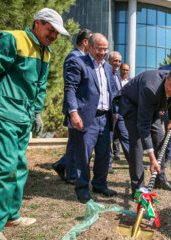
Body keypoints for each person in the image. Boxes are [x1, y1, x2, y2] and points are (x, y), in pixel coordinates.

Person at [0, 8, 69, 240]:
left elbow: (40, 85)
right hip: (3, 112)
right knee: (5, 167)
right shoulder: (12, 39)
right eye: (51, 31)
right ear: (37, 23)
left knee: (19, 167)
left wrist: (36, 113)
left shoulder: (45, 52)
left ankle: (10, 215)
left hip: (23, 116)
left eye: (57, 34)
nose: (54, 37)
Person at [63, 33, 118, 204]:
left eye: (105, 49)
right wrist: (73, 113)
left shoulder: (108, 68)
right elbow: (70, 88)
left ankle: (100, 184)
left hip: (105, 117)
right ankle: (82, 189)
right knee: (84, 156)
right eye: (99, 49)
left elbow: (112, 91)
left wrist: (115, 111)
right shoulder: (79, 62)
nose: (103, 53)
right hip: (86, 117)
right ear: (90, 47)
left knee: (104, 154)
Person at [118, 67, 171, 197]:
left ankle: (160, 179)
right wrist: (151, 158)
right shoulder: (150, 88)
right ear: (167, 78)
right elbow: (143, 126)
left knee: (159, 138)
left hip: (151, 105)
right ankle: (138, 188)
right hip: (131, 103)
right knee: (137, 144)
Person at [52, 29, 92, 184]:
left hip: (81, 107)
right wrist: (73, 110)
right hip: (75, 108)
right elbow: (71, 86)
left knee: (76, 142)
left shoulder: (83, 57)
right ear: (85, 42)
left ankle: (62, 164)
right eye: (92, 41)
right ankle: (71, 174)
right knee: (75, 142)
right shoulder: (74, 57)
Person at [107, 51, 129, 174]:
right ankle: (108, 164)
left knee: (125, 137)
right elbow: (112, 95)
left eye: (119, 61)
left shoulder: (116, 75)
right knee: (108, 139)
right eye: (115, 61)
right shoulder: (107, 73)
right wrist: (114, 112)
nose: (117, 63)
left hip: (119, 113)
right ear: (109, 60)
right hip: (110, 113)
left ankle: (133, 162)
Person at [112, 63, 131, 162]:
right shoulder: (115, 79)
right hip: (113, 110)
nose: (125, 72)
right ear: (120, 70)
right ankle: (115, 155)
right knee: (113, 135)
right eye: (123, 69)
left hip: (124, 111)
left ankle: (132, 160)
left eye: (127, 70)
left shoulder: (131, 81)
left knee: (124, 135)